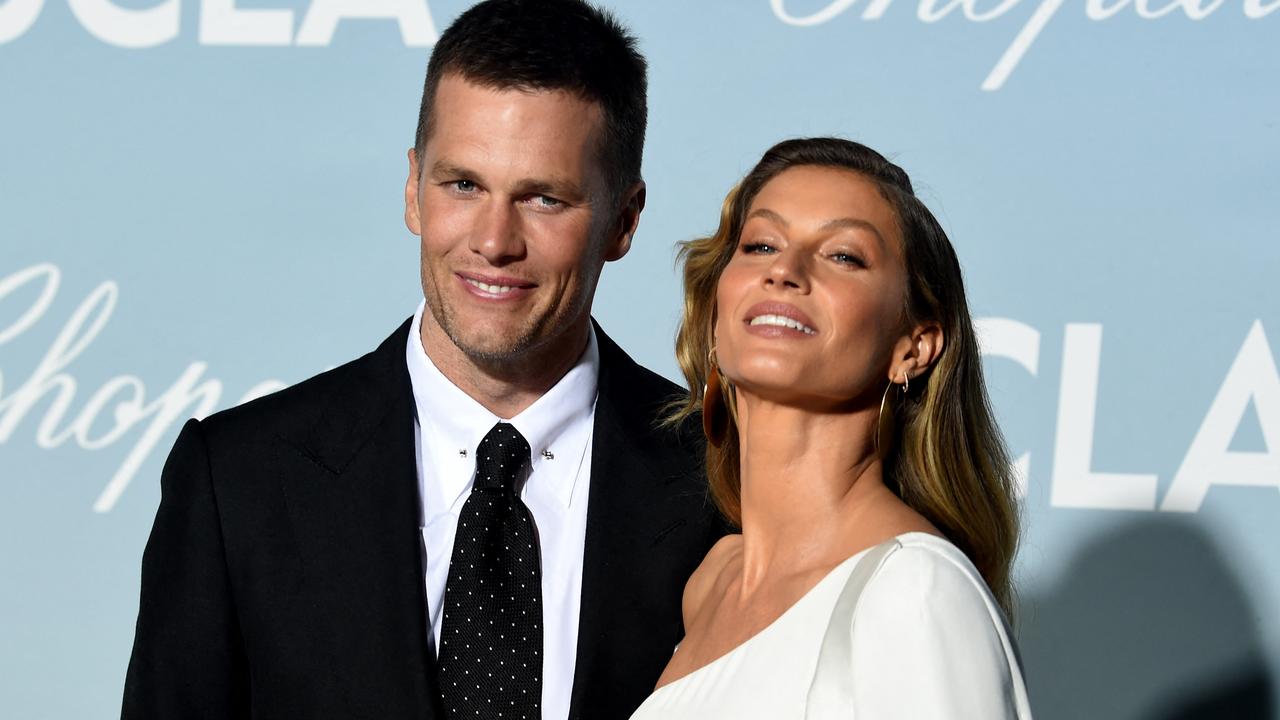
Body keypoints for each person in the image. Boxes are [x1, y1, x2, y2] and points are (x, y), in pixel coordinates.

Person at [121, 2, 722, 719]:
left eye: (543, 197)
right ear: (413, 187)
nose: (494, 240)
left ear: (624, 219)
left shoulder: (722, 479)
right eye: (462, 185)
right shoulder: (239, 480)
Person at [630, 137, 1033, 718]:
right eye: (760, 244)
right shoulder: (711, 584)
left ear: (914, 346)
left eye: (843, 256)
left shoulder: (916, 590)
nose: (784, 271)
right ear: (716, 317)